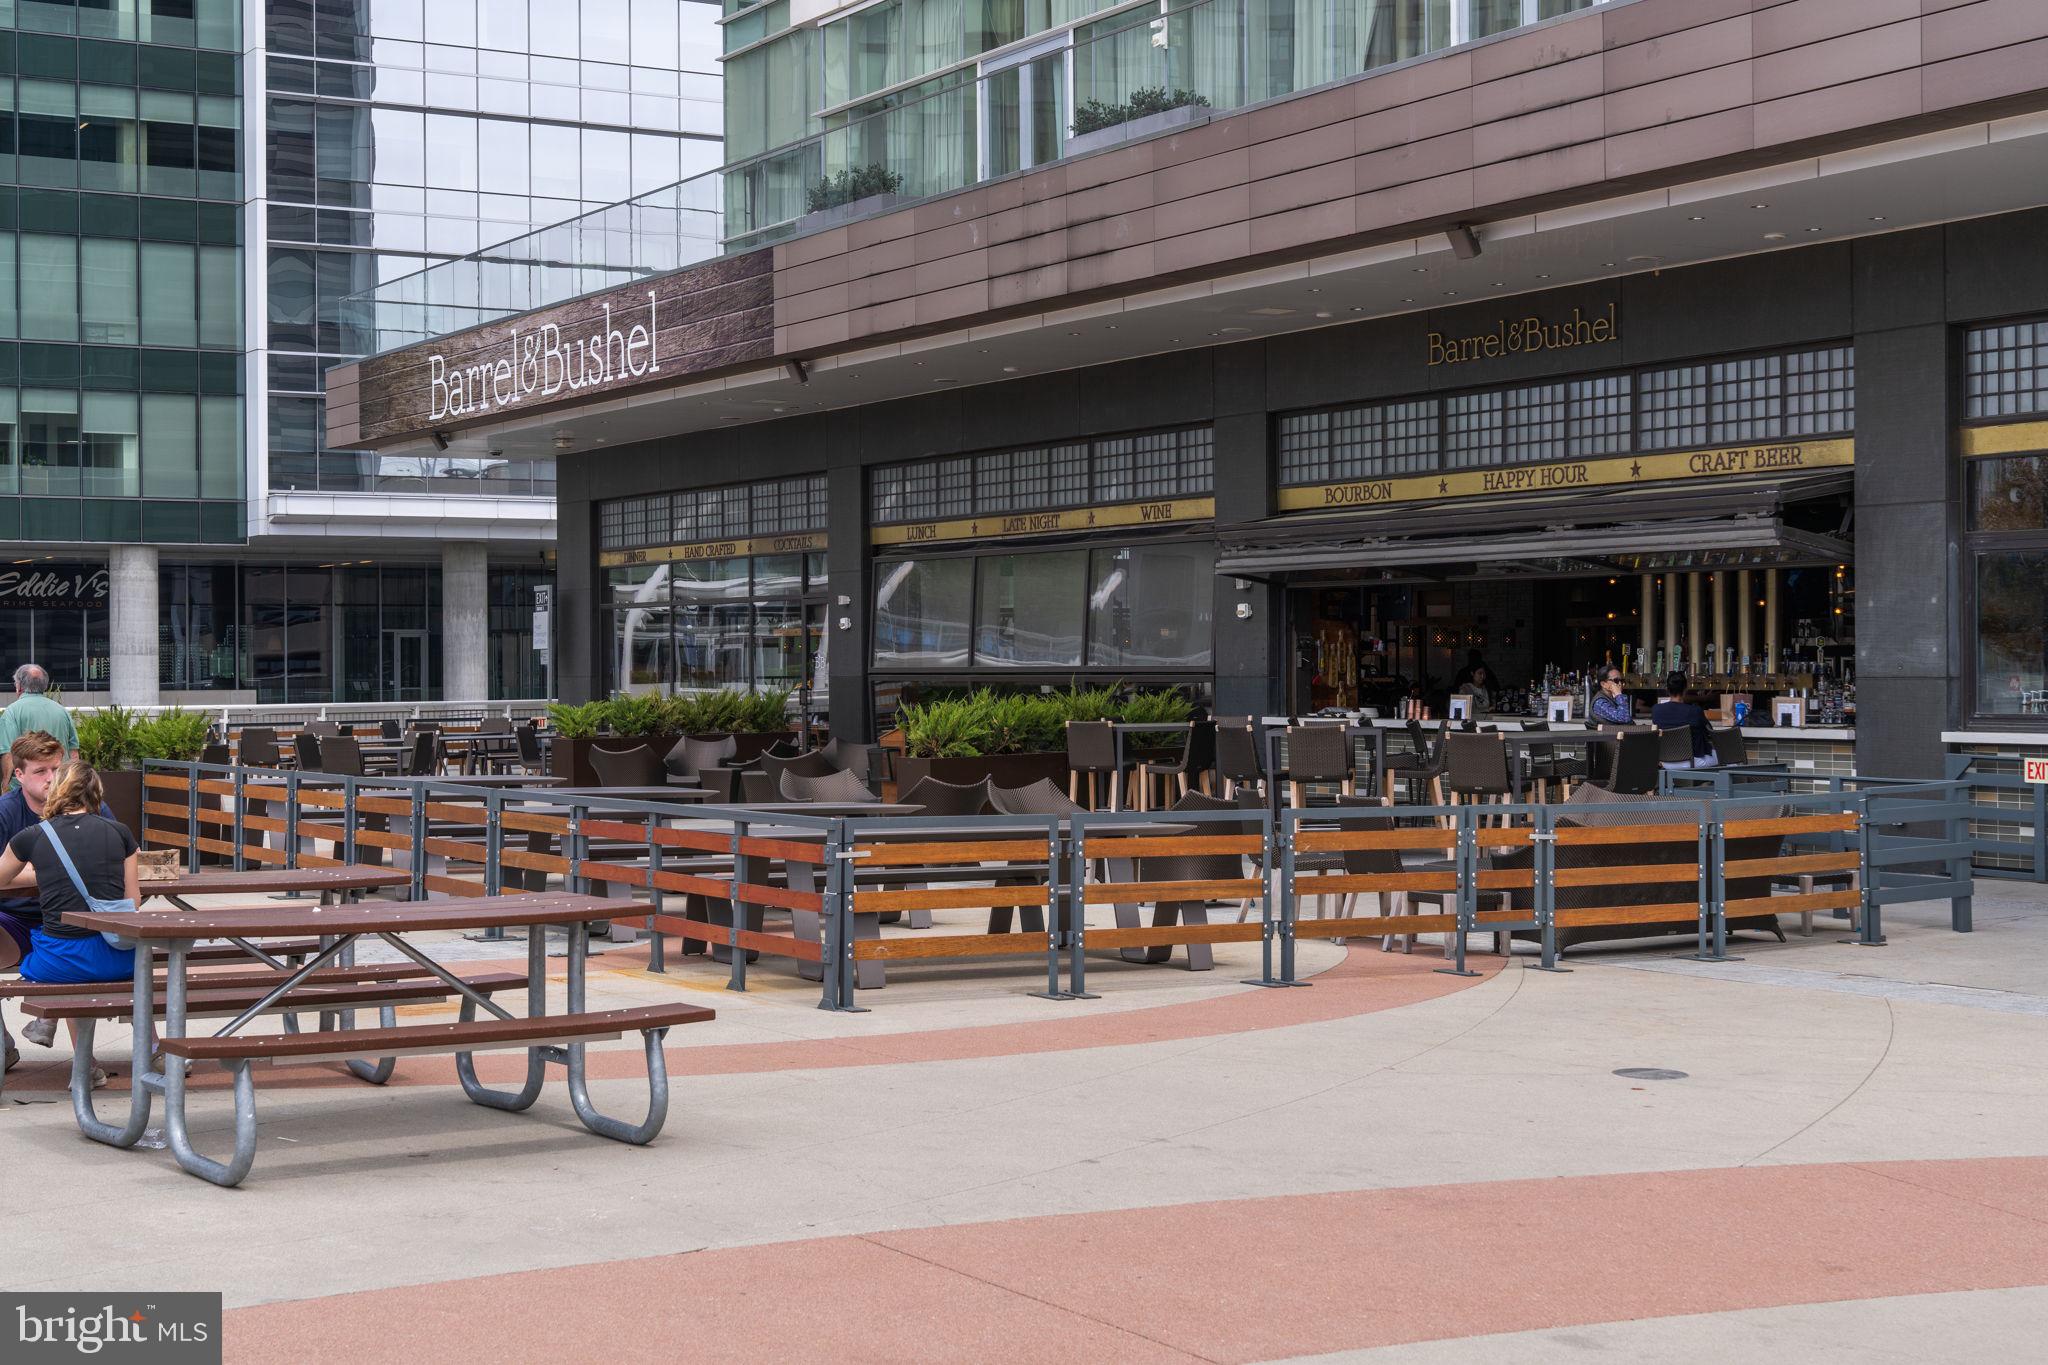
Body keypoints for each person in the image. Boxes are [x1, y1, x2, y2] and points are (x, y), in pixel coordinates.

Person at [0, 759, 137, 1083]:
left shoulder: (32, 836)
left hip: (60, 961)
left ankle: (48, 1015)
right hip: (118, 960)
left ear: (57, 791)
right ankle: (86, 1058)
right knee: (62, 956)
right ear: (96, 793)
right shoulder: (121, 834)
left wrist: (36, 872)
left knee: (37, 959)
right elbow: (133, 904)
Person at [0, 663, 78, 788]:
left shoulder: (11, 713)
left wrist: (5, 785)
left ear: (19, 686)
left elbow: (8, 754)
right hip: (60, 786)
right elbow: (73, 752)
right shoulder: (62, 711)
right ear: (44, 686)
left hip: (25, 790)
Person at [1649, 671, 1718, 770]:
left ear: (1667, 689)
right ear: (1685, 689)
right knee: (1727, 755)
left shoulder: (1656, 710)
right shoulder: (1694, 711)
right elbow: (1710, 732)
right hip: (1693, 762)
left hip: (1666, 762)